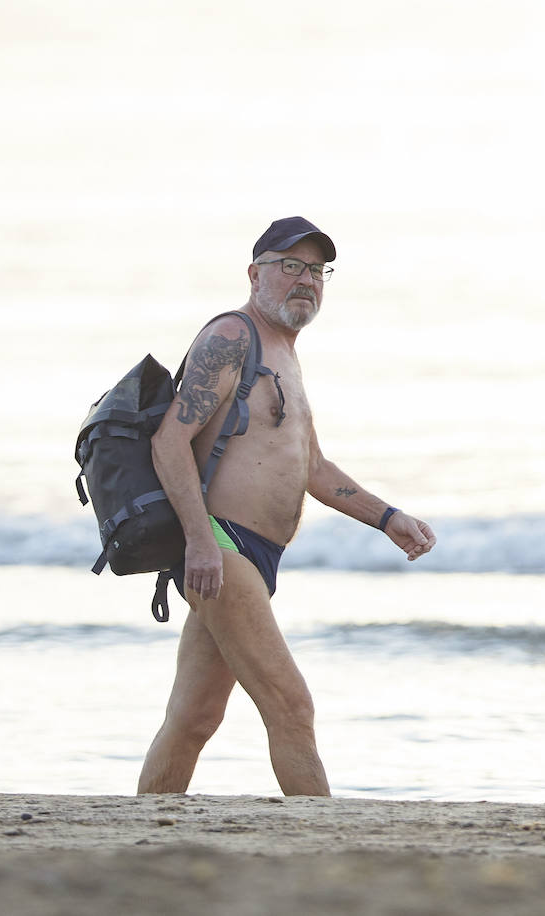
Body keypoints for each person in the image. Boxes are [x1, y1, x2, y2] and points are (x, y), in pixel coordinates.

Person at [137, 216, 436, 797]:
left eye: (317, 270)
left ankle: (145, 828)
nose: (306, 280)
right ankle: (325, 842)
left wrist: (387, 517)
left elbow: (313, 469)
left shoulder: (285, 353)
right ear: (255, 274)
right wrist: (199, 540)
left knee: (194, 718)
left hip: (249, 556)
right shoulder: (232, 337)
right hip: (221, 548)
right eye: (290, 266)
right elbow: (168, 441)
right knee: (291, 705)